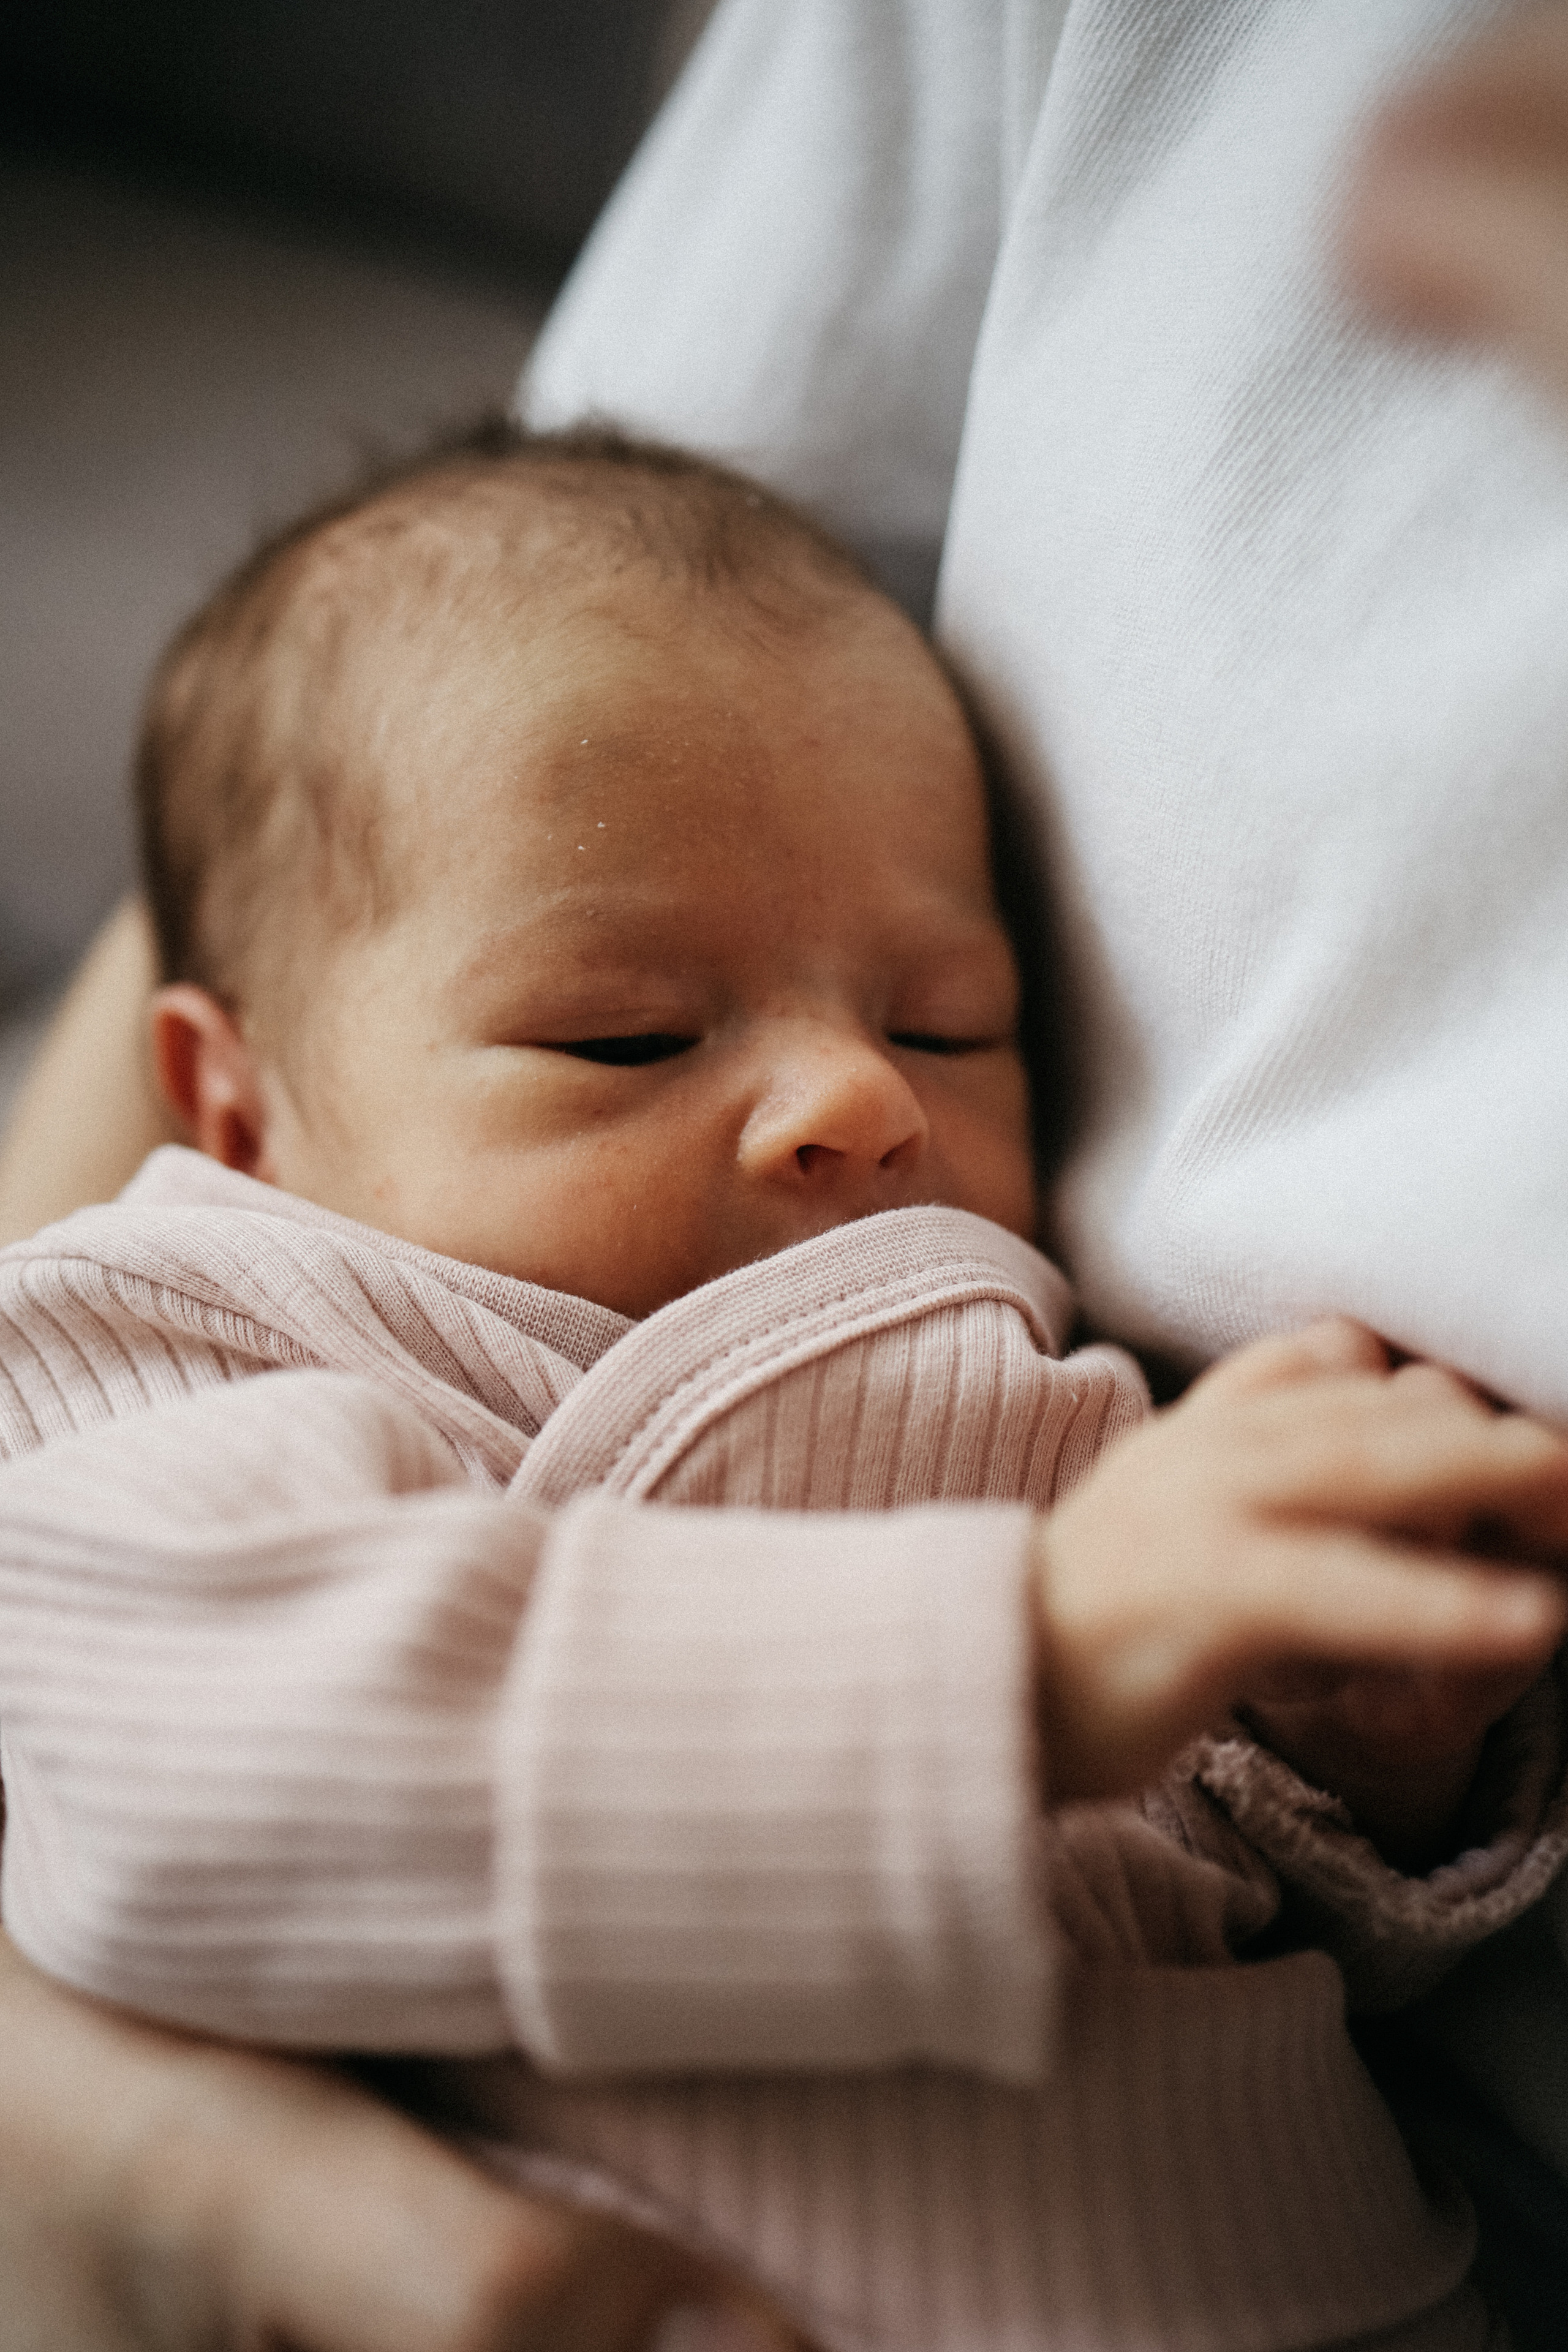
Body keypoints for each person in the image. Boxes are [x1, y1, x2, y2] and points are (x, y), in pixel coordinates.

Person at [7, 5, 1568, 2345]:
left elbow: (1232, 1911)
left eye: (956, 1017)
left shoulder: (1037, 1404)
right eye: (625, 1032)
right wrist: (1018, 1667)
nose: (857, 1098)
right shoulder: (201, 1331)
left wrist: (1360, 1773)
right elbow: (165, 1784)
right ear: (232, 1111)